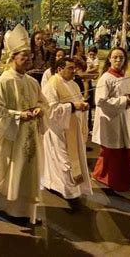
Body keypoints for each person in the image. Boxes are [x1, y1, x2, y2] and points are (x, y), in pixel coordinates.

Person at [0, 24, 47, 223]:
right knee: (9, 171)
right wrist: (19, 116)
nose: (27, 59)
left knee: (27, 172)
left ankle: (25, 211)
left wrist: (40, 110)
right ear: (12, 58)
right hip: (11, 137)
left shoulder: (32, 82)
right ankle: (4, 207)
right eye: (23, 56)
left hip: (30, 137)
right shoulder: (3, 82)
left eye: (29, 56)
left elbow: (43, 102)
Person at [91, 47, 130, 200]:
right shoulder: (106, 78)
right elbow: (100, 101)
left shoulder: (124, 76)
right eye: (115, 58)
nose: (118, 61)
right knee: (116, 154)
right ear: (109, 59)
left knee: (112, 153)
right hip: (111, 121)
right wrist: (125, 100)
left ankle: (100, 174)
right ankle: (118, 185)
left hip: (122, 118)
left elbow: (125, 94)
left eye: (121, 58)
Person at [41, 57, 93, 202]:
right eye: (70, 68)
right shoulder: (51, 86)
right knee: (64, 162)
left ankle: (68, 188)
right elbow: (50, 110)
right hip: (58, 131)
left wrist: (82, 106)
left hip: (72, 127)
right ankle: (67, 190)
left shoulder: (74, 85)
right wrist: (73, 106)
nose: (74, 71)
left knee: (71, 159)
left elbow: (78, 101)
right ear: (59, 69)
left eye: (74, 68)